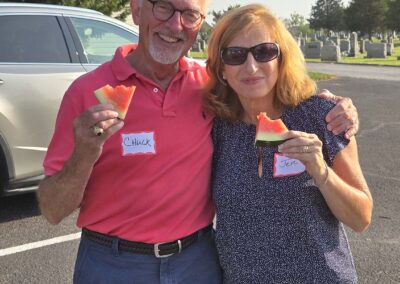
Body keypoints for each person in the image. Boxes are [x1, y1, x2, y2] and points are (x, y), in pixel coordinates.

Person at [37, 0, 359, 283]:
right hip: (114, 265)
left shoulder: (207, 87)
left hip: (197, 262)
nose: (175, 25)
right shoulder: (86, 93)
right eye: (163, 7)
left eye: (190, 14)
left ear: (200, 24)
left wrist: (332, 108)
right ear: (137, 9)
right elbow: (52, 210)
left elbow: (264, 91)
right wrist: (84, 154)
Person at [204, 4, 373, 283]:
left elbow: (361, 218)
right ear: (222, 70)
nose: (251, 66)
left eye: (264, 52)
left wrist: (321, 171)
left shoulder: (322, 117)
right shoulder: (216, 127)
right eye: (235, 55)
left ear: (281, 60)